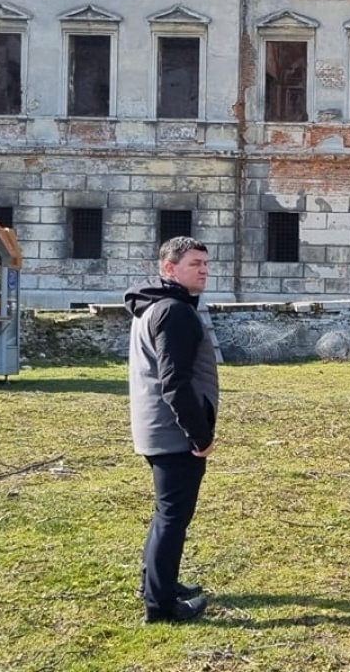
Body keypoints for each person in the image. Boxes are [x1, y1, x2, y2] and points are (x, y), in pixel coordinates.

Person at [125, 236, 218, 623]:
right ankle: (160, 607)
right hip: (173, 435)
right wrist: (200, 436)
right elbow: (175, 382)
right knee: (172, 518)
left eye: (205, 263)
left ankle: (158, 583)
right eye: (194, 263)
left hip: (155, 430)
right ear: (169, 269)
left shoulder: (154, 307)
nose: (204, 270)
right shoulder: (174, 312)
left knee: (166, 513)